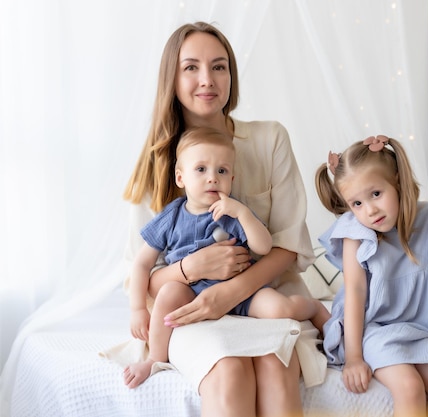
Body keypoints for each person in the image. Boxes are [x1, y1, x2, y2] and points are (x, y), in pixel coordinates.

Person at [122, 21, 323, 417]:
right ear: (172, 78)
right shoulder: (159, 160)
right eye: (191, 67)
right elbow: (140, 275)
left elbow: (288, 244)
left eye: (219, 66)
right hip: (188, 308)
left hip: (263, 297)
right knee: (229, 370)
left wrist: (229, 293)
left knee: (274, 362)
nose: (207, 80)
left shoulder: (269, 138)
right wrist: (190, 269)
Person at [124, 127, 329, 389]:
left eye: (221, 171)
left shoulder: (230, 211)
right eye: (201, 169)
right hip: (192, 293)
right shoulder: (172, 216)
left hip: (242, 292)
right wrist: (137, 309)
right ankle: (154, 358)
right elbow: (142, 263)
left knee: (280, 309)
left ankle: (313, 308)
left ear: (232, 177)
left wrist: (243, 214)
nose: (212, 178)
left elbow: (264, 247)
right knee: (167, 296)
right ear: (180, 178)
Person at [315, 135, 428, 417]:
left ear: (397, 182)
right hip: (373, 330)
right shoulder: (356, 236)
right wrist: (353, 358)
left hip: (417, 328)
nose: (370, 210)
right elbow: (355, 295)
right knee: (409, 386)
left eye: (376, 194)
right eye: (357, 204)